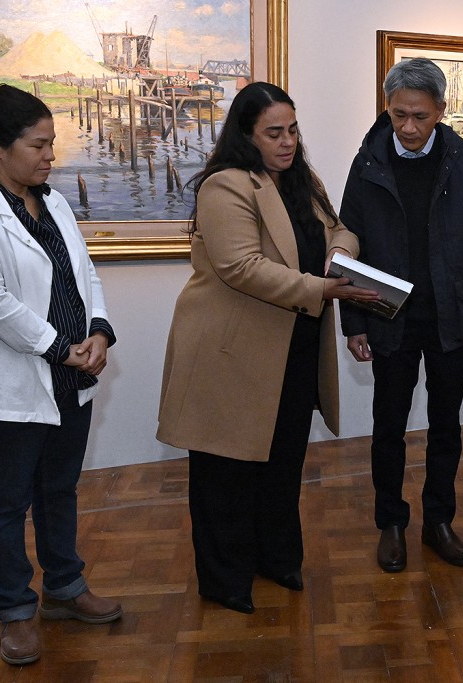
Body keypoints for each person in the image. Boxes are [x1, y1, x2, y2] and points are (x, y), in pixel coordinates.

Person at [157, 82, 376, 614]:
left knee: (283, 464)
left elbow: (341, 230)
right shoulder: (225, 186)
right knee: (225, 474)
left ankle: (277, 559)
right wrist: (323, 288)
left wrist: (339, 255)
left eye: (293, 130)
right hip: (231, 353)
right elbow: (241, 266)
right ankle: (225, 579)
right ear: (246, 135)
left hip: (293, 346)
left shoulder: (301, 180)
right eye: (274, 133)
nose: (288, 142)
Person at [0, 80, 122, 666]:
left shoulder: (55, 201)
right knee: (7, 500)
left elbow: (85, 274)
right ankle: (15, 610)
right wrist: (61, 349)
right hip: (11, 381)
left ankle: (65, 588)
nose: (50, 156)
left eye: (52, 143)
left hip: (71, 374)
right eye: (38, 145)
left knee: (59, 490)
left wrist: (99, 330)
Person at [339, 57, 463, 572]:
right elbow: (349, 244)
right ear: (387, 108)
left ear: (441, 110)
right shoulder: (368, 162)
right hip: (388, 316)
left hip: (449, 314)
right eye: (398, 115)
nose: (408, 127)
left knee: (445, 426)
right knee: (388, 426)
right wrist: (353, 322)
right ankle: (391, 522)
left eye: (420, 116)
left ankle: (438, 522)